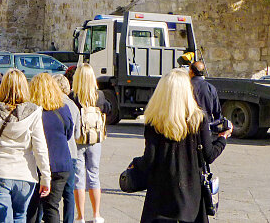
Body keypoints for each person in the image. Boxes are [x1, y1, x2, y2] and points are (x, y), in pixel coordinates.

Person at [133, 68, 230, 223]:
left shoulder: (154, 121)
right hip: (191, 198)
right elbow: (209, 155)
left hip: (160, 198)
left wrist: (134, 165)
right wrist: (222, 138)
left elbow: (149, 159)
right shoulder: (198, 119)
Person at [0, 69, 51, 223]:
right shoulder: (33, 112)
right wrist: (46, 176)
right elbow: (40, 147)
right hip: (25, 173)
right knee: (20, 217)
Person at [27, 73, 75, 223]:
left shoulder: (32, 112)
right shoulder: (64, 109)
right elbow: (68, 133)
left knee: (33, 208)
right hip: (62, 163)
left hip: (39, 165)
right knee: (51, 207)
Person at [71, 65, 112, 223]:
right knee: (94, 175)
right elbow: (108, 109)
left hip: (79, 139)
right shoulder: (99, 95)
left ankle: (80, 216)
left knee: (78, 178)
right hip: (95, 139)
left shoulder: (73, 96)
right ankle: (96, 214)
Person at [53, 74, 81, 223]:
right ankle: (68, 220)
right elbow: (77, 134)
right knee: (69, 192)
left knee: (52, 195)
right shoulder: (74, 106)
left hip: (56, 154)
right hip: (72, 153)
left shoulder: (52, 104)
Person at [189, 61, 222, 126]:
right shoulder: (210, 88)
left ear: (191, 71)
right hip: (206, 127)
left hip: (189, 127)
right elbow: (217, 112)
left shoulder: (185, 86)